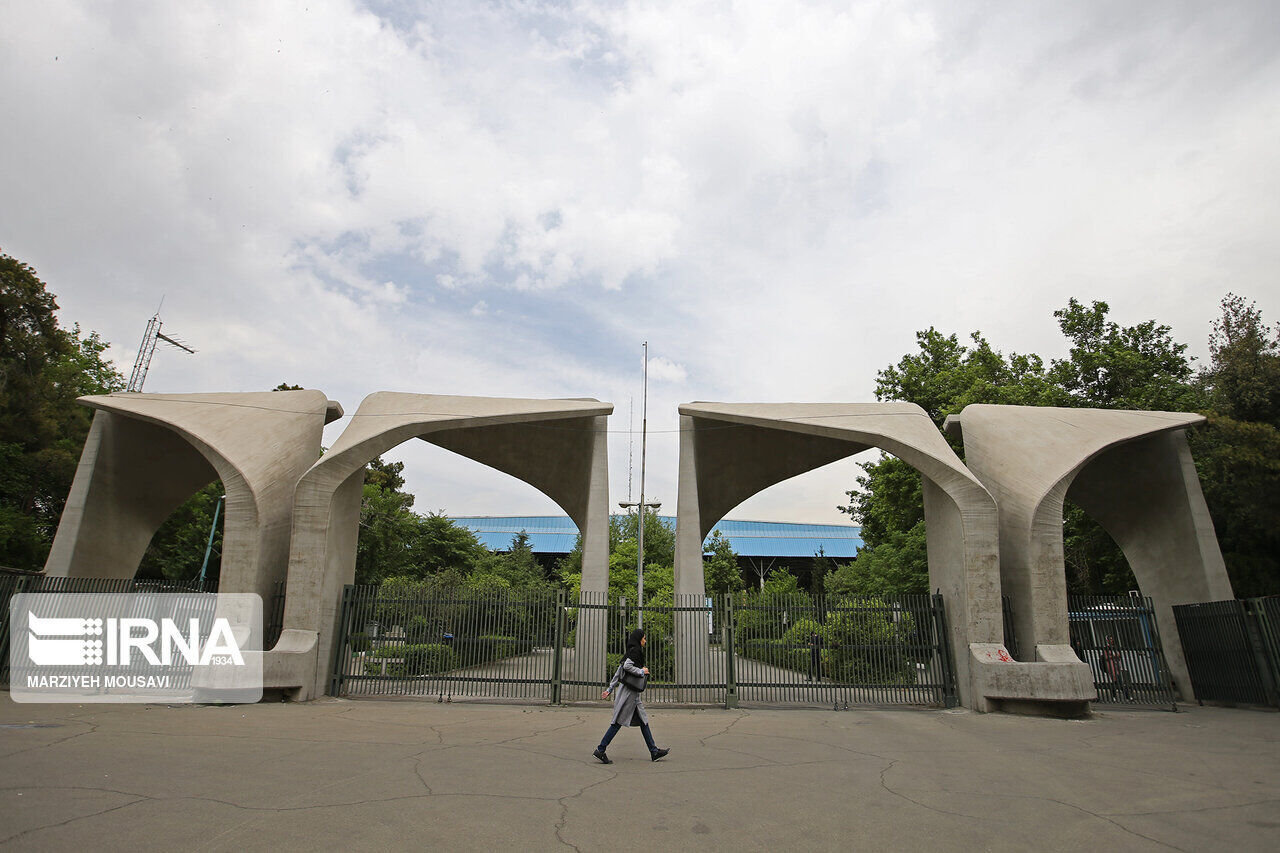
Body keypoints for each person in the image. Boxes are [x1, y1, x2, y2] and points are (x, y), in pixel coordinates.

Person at [593, 628, 669, 764]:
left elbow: (619, 670)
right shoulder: (635, 652)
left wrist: (610, 688)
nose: (645, 641)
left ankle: (654, 751)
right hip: (628, 693)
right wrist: (641, 671)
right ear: (639, 639)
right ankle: (601, 749)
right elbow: (626, 667)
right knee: (617, 722)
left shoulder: (632, 651)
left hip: (633, 694)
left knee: (643, 720)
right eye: (644, 638)